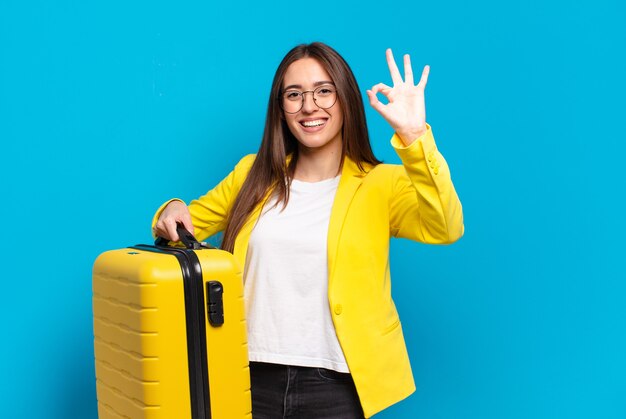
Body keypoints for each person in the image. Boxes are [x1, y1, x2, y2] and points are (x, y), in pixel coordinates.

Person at [152, 42, 464, 419]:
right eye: (294, 94)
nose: (309, 106)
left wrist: (416, 138)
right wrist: (170, 207)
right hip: (244, 376)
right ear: (280, 109)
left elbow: (446, 226)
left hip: (335, 385)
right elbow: (179, 226)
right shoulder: (252, 175)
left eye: (323, 91)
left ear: (346, 99)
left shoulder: (382, 184)